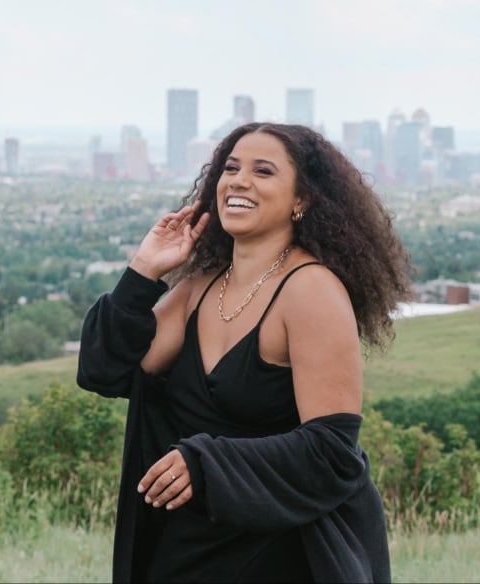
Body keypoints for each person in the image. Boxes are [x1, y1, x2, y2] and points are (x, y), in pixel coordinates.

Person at [76, 122, 413, 583]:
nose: (238, 180)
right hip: (189, 546)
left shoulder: (310, 290)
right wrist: (142, 270)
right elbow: (104, 372)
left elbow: (332, 452)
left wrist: (206, 463)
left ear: (302, 200)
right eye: (231, 167)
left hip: (281, 551)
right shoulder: (200, 288)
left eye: (263, 171)